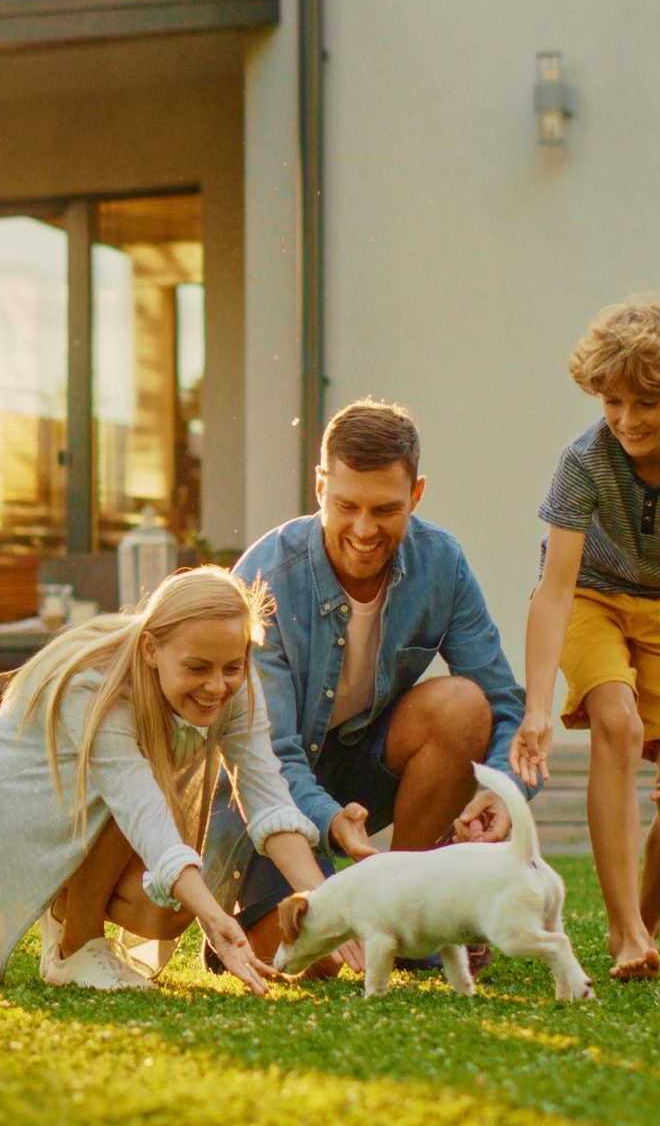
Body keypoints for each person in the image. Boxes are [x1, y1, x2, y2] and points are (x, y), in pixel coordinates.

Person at [223, 399, 532, 971]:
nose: (364, 530)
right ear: (319, 488)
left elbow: (502, 702)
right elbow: (267, 756)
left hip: (361, 766)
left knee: (463, 705)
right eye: (346, 506)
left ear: (416, 497)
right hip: (268, 793)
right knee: (322, 963)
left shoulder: (442, 563)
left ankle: (410, 913)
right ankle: (259, 916)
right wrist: (329, 823)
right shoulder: (264, 578)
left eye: (386, 510)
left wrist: (506, 789)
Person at [0, 568, 326, 994]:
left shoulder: (233, 683)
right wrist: (215, 917)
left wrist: (333, 906)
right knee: (144, 817)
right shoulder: (97, 686)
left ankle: (66, 908)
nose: (217, 685)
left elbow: (267, 799)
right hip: (12, 806)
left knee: (165, 913)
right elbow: (137, 806)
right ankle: (74, 948)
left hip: (91, 807)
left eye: (233, 666)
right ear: (151, 649)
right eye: (197, 667)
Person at [510, 297, 660, 981]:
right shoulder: (584, 460)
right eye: (612, 402)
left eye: (645, 404)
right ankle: (622, 931)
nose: (626, 421)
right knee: (616, 722)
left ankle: (645, 926)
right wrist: (536, 709)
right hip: (594, 598)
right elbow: (554, 589)